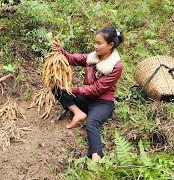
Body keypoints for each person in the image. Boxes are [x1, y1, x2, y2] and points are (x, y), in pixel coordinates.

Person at [51, 26, 124, 160]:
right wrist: (59, 50)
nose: (95, 46)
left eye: (99, 43)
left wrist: (71, 90)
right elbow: (71, 59)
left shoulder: (116, 67)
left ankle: (96, 157)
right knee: (56, 88)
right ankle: (78, 112)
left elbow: (96, 89)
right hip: (87, 99)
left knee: (92, 124)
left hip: (102, 104)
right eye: (95, 42)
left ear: (110, 45)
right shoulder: (92, 58)